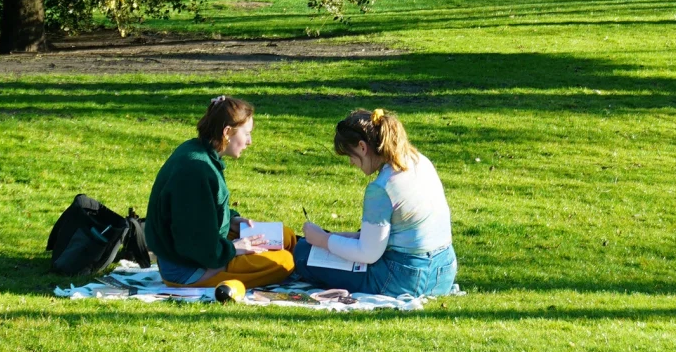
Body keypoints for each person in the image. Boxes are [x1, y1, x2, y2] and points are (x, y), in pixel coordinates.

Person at [293, 108, 457, 297]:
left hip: (405, 279)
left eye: (350, 155)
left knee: (304, 252)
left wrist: (323, 240)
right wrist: (341, 237)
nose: (351, 163)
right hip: (444, 272)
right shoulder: (420, 161)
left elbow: (368, 254)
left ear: (362, 147)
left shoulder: (382, 187)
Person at [145, 95, 295, 288]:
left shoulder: (199, 151)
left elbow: (202, 212)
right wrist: (233, 249)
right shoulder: (196, 170)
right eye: (247, 133)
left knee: (286, 237)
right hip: (188, 268)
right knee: (284, 262)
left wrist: (231, 220)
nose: (249, 141)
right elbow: (193, 243)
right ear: (227, 132)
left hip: (204, 247)